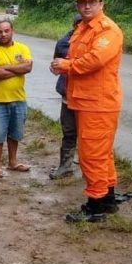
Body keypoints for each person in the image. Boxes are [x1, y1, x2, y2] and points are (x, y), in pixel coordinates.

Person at [49, 0, 123, 222]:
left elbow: (93, 61)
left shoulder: (108, 30)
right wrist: (61, 65)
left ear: (102, 4)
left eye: (92, 1)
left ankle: (96, 205)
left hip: (99, 104)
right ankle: (108, 198)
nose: (87, 5)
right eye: (82, 2)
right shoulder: (81, 29)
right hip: (83, 101)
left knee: (92, 155)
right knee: (101, 154)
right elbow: (71, 58)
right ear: (77, 5)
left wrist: (66, 66)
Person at [0, 20, 33, 179]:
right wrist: (18, 70)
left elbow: (28, 67)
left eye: (6, 31)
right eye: (0, 32)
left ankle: (13, 162)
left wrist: (4, 67)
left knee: (15, 133)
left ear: (12, 31)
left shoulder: (23, 48)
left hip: (19, 99)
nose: (3, 34)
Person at [50, 14, 82, 180]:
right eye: (79, 24)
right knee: (69, 132)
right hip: (68, 95)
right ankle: (65, 165)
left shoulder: (97, 41)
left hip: (87, 98)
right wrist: (56, 67)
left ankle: (89, 168)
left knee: (88, 136)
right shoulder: (64, 42)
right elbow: (56, 64)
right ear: (74, 25)